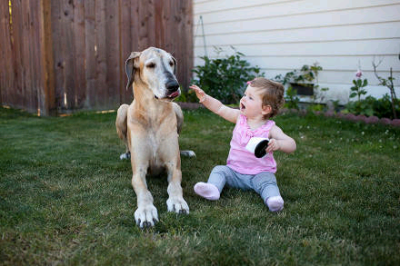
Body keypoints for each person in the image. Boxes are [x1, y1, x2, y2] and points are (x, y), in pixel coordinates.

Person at [189, 77, 296, 212]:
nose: (243, 99)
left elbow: (291, 144)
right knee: (219, 170)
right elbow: (220, 108)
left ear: (265, 109)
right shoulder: (239, 117)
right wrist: (205, 98)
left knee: (268, 181)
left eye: (250, 98)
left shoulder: (270, 129)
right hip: (234, 172)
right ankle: (213, 188)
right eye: (245, 94)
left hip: (259, 174)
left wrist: (279, 144)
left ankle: (273, 199)